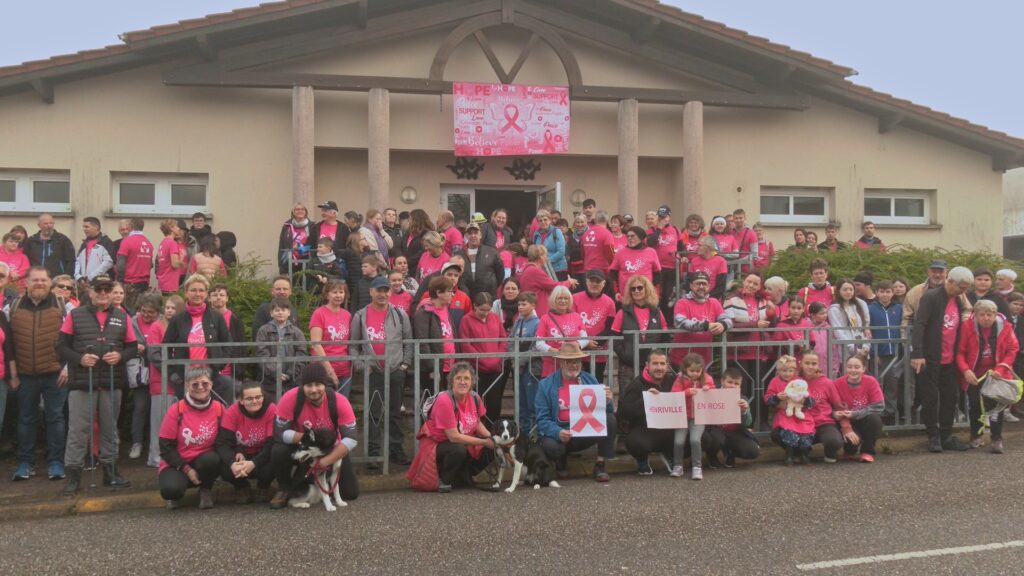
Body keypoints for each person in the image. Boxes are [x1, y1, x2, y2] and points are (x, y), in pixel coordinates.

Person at [57, 275, 137, 494]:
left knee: (110, 429)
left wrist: (120, 356)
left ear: (112, 293)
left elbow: (133, 346)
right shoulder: (75, 315)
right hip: (83, 382)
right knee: (78, 430)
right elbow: (62, 347)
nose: (103, 294)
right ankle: (73, 477)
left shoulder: (122, 316)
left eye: (107, 290)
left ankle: (110, 473)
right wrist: (79, 359)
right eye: (98, 290)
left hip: (111, 381)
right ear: (90, 293)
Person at [270, 363, 360, 509]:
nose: (313, 390)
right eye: (308, 385)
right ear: (302, 386)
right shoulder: (289, 398)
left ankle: (318, 488)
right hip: (301, 446)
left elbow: (351, 438)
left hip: (329, 447)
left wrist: (324, 462)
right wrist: (307, 439)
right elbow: (279, 432)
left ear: (325, 384)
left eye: (318, 384)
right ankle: (284, 489)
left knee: (350, 493)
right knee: (278, 450)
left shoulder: (339, 401)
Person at [8, 266, 67, 483]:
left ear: (50, 282)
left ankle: (56, 463)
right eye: (35, 280)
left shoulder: (62, 306)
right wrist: (13, 374)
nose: (39, 283)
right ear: (26, 283)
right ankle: (25, 463)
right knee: (25, 420)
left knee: (56, 418)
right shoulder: (13, 307)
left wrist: (68, 367)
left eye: (43, 279)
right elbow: (8, 345)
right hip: (25, 375)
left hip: (55, 373)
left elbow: (72, 339)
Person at [350, 275, 414, 467]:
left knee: (395, 413)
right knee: (373, 413)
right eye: (379, 290)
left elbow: (408, 341)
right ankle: (373, 453)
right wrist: (362, 366)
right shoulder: (360, 316)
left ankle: (396, 450)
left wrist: (404, 365)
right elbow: (353, 347)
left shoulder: (399, 314)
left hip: (395, 370)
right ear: (371, 292)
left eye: (386, 290)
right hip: (373, 372)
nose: (383, 294)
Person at [910, 266, 975, 453]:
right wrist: (917, 353)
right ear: (950, 281)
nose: (963, 291)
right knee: (930, 399)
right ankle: (933, 436)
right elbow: (919, 324)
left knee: (950, 398)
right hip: (930, 358)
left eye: (966, 288)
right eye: (961, 287)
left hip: (950, 359)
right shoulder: (931, 297)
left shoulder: (958, 300)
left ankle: (946, 436)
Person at [535, 342, 616, 482]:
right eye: (569, 362)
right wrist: (557, 432)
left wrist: (607, 401)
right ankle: (560, 459)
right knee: (551, 446)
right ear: (561, 362)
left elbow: (605, 412)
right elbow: (542, 419)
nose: (574, 365)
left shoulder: (589, 380)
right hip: (562, 433)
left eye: (577, 361)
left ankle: (600, 464)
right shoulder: (545, 385)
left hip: (584, 431)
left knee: (610, 419)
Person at [956, 299, 1019, 453]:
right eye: (982, 315)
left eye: (989, 315)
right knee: (975, 406)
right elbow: (960, 352)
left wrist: (1001, 368)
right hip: (975, 374)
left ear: (995, 314)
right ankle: (975, 436)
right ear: (976, 315)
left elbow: (1012, 349)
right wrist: (965, 370)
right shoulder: (967, 327)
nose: (986, 318)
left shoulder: (1006, 327)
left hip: (997, 374)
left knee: (996, 407)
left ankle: (996, 439)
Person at [158, 366, 223, 510]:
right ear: (187, 386)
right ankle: (177, 491)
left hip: (205, 461)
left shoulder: (219, 408)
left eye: (205, 383)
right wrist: (186, 469)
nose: (200, 387)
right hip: (177, 463)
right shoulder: (176, 410)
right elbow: (165, 447)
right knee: (170, 490)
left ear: (211, 385)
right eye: (195, 384)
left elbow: (224, 441)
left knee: (212, 459)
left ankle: (206, 489)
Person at [422, 363, 494, 492]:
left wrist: (493, 438)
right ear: (451, 381)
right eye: (458, 378)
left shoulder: (475, 397)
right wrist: (484, 442)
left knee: (494, 445)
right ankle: (445, 480)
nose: (462, 382)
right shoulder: (445, 400)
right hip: (439, 444)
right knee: (458, 449)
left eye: (466, 378)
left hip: (461, 440)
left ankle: (463, 476)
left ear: (472, 382)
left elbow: (476, 422)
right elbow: (453, 437)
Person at [162, 274, 232, 398]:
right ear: (186, 293)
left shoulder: (216, 317)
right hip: (185, 377)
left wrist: (219, 364)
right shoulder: (177, 319)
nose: (197, 294)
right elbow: (165, 347)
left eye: (201, 290)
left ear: (206, 294)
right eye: (193, 290)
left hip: (211, 376)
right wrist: (173, 373)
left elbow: (227, 343)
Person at [217, 380, 276, 504]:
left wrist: (254, 463)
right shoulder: (232, 412)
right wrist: (232, 463)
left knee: (276, 456)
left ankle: (263, 486)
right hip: (241, 455)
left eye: (258, 397)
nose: (254, 401)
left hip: (262, 454)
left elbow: (271, 444)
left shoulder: (271, 409)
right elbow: (223, 443)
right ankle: (241, 486)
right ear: (241, 401)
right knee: (224, 466)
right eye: (249, 398)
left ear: (263, 397)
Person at [618, 349, 675, 475]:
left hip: (667, 430)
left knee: (691, 437)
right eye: (655, 364)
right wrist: (645, 400)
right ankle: (642, 459)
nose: (659, 367)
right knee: (633, 442)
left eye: (662, 364)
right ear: (647, 365)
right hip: (644, 431)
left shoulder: (672, 381)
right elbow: (624, 413)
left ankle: (668, 453)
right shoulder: (636, 384)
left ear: (667, 365)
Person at [458, 292, 509, 427]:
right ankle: (475, 430)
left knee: (494, 402)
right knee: (476, 401)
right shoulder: (466, 320)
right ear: (474, 306)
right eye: (482, 310)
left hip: (496, 368)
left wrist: (498, 357)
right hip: (476, 368)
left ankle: (493, 430)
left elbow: (503, 339)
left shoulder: (495, 317)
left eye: (488, 310)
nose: (485, 313)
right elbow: (466, 344)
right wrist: (483, 360)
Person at [724, 273, 774, 400]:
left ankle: (758, 419)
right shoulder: (731, 299)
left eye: (755, 284)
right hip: (739, 353)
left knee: (758, 389)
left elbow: (770, 326)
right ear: (744, 282)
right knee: (742, 390)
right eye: (749, 281)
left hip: (759, 352)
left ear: (760, 287)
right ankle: (742, 419)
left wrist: (772, 314)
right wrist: (755, 324)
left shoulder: (762, 301)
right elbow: (730, 326)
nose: (751, 285)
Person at [127, 293, 162, 461]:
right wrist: (136, 347)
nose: (147, 315)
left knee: (160, 410)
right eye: (144, 311)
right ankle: (137, 442)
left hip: (159, 372)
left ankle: (157, 443)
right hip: (140, 372)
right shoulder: (132, 322)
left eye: (151, 312)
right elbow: (126, 342)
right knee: (140, 407)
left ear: (158, 312)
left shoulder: (163, 321)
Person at [671, 272, 730, 369]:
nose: (701, 286)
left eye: (704, 284)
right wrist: (706, 326)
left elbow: (728, 319)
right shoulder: (682, 302)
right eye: (698, 283)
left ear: (709, 286)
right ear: (691, 286)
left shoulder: (714, 302)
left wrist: (723, 325)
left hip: (704, 361)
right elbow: (680, 322)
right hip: (682, 360)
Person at [833, 354, 885, 462]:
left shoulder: (871, 381)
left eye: (857, 367)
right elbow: (834, 407)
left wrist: (855, 414)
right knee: (851, 443)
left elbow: (879, 405)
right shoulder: (837, 383)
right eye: (849, 367)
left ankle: (867, 451)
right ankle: (849, 451)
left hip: (864, 419)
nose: (853, 370)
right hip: (845, 421)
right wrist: (845, 426)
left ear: (863, 369)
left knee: (875, 419)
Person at [705, 367, 760, 467]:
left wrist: (744, 411)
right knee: (716, 438)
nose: (732, 386)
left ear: (740, 386)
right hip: (716, 430)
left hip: (734, 432)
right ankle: (712, 457)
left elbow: (748, 423)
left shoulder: (742, 399)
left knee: (753, 451)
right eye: (729, 382)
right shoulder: (712, 394)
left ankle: (731, 453)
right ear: (722, 381)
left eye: (736, 384)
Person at [413, 277, 462, 390]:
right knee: (433, 403)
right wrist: (433, 368)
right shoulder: (424, 313)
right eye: (450, 291)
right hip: (434, 368)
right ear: (439, 293)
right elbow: (423, 343)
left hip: (450, 367)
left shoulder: (446, 309)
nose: (453, 295)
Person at [612, 275, 668, 372]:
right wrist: (625, 355)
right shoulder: (622, 313)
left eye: (640, 287)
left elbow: (665, 337)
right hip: (628, 366)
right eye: (633, 289)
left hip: (653, 366)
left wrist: (658, 356)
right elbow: (614, 339)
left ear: (647, 289)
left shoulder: (657, 312)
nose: (636, 291)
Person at [256, 297, 308, 400]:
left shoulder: (297, 332)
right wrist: (275, 373)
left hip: (293, 380)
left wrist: (290, 373)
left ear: (289, 312)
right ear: (271, 313)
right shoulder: (263, 331)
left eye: (283, 310)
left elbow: (301, 355)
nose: (280, 313)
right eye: (277, 310)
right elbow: (262, 354)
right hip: (269, 380)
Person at [868, 281, 903, 424]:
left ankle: (890, 412)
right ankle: (876, 413)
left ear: (892, 293)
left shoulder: (899, 308)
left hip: (894, 353)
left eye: (888, 291)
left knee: (892, 384)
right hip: (878, 353)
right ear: (876, 293)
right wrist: (873, 352)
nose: (885, 294)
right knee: (876, 383)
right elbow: (868, 331)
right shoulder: (871, 308)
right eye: (882, 291)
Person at [308, 279, 351, 395]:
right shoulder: (319, 313)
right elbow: (316, 345)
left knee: (342, 407)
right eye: (334, 292)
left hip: (344, 370)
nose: (338, 295)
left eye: (341, 292)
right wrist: (329, 370)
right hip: (323, 370)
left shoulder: (347, 315)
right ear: (327, 295)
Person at [572, 270, 616, 383]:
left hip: (598, 352)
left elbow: (610, 328)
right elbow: (571, 324)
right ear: (586, 281)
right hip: (577, 351)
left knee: (595, 384)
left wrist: (594, 342)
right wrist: (585, 342)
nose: (594, 284)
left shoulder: (610, 302)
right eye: (592, 280)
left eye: (598, 281)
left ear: (604, 283)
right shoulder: (575, 298)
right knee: (575, 385)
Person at [536, 286, 588, 378]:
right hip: (552, 364)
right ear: (553, 300)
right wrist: (557, 351)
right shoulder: (545, 318)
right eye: (559, 298)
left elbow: (585, 339)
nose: (563, 301)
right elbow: (539, 343)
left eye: (566, 298)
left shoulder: (576, 316)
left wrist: (575, 346)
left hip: (573, 364)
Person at [827, 278, 872, 377]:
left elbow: (866, 327)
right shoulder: (834, 309)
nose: (848, 292)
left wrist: (866, 346)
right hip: (846, 349)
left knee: (863, 375)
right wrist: (852, 347)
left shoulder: (861, 304)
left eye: (851, 289)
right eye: (845, 289)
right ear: (838, 291)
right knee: (848, 375)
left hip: (862, 346)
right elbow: (838, 331)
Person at [510, 292, 542, 431]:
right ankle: (523, 433)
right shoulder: (518, 321)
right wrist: (513, 357)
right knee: (521, 404)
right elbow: (511, 340)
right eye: (519, 304)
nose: (520, 307)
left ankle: (535, 433)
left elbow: (537, 347)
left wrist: (520, 361)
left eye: (524, 304)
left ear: (533, 306)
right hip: (517, 367)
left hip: (531, 368)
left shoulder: (537, 323)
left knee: (532, 403)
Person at [517, 244, 577, 316]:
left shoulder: (529, 269)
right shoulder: (534, 271)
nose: (547, 258)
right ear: (540, 257)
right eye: (545, 255)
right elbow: (554, 286)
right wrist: (569, 282)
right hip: (538, 310)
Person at [209, 283, 245, 396]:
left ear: (227, 298)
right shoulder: (205, 317)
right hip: (209, 371)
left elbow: (241, 345)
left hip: (231, 372)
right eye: (215, 295)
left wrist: (239, 369)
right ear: (209, 298)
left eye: (221, 295)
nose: (218, 297)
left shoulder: (234, 319)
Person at [609, 226, 660, 300]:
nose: (629, 238)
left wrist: (656, 292)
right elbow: (612, 274)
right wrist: (616, 292)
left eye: (632, 236)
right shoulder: (620, 253)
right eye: (628, 236)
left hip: (646, 295)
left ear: (641, 238)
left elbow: (657, 275)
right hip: (625, 296)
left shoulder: (651, 252)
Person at [457, 219, 504, 299]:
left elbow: (500, 274)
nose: (473, 236)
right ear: (466, 236)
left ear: (480, 235)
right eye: (470, 233)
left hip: (488, 297)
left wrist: (490, 286)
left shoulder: (492, 252)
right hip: (467, 297)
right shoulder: (459, 254)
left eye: (475, 233)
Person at [116, 218, 154, 311]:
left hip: (130, 283)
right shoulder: (148, 243)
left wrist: (119, 281)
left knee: (128, 311)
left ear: (130, 227)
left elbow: (120, 264)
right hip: (144, 284)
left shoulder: (127, 241)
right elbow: (150, 265)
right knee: (141, 311)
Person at [647, 205, 679, 312]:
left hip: (672, 267)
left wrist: (682, 257)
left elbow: (681, 246)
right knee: (656, 294)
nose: (662, 219)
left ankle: (668, 319)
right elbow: (650, 243)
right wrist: (659, 229)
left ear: (669, 217)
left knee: (669, 295)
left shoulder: (675, 230)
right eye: (660, 217)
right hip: (657, 268)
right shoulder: (652, 230)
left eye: (664, 217)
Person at [25, 213, 76, 279]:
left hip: (57, 279)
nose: (49, 226)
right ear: (39, 225)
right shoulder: (32, 240)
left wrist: (67, 277)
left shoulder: (62, 240)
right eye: (45, 223)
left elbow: (71, 260)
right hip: (36, 278)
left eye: (51, 223)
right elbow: (26, 260)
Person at [73, 217, 115, 288]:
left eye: (87, 227)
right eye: (83, 227)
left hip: (100, 283)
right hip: (84, 283)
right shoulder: (85, 243)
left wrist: (91, 276)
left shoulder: (106, 242)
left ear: (96, 227)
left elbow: (108, 262)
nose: (84, 229)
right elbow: (78, 261)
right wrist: (78, 277)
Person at [685, 236, 728, 300]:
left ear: (708, 247)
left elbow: (721, 286)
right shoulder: (694, 260)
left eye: (700, 245)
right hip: (695, 297)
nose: (697, 248)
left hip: (712, 298)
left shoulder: (721, 261)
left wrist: (706, 298)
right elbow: (689, 282)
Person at [533, 209, 568, 280]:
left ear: (550, 220)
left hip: (558, 269)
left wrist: (546, 261)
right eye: (540, 220)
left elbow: (561, 252)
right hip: (543, 269)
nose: (543, 222)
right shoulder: (536, 234)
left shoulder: (557, 231)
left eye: (545, 219)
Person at [278, 203, 312, 274]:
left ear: (305, 212)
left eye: (302, 209)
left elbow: (314, 244)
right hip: (290, 261)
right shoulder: (286, 226)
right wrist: (282, 267)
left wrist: (301, 247)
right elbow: (282, 246)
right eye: (297, 209)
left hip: (307, 261)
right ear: (293, 212)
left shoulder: (312, 226)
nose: (300, 211)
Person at [156, 219, 188, 295]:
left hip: (163, 282)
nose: (179, 228)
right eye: (176, 226)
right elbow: (175, 264)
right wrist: (183, 263)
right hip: (170, 284)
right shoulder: (172, 243)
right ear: (171, 228)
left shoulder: (163, 242)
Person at [402, 209, 434, 273]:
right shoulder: (408, 233)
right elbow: (401, 247)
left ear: (416, 220)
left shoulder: (427, 234)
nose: (409, 221)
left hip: (418, 268)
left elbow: (424, 251)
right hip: (406, 268)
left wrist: (407, 262)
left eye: (410, 219)